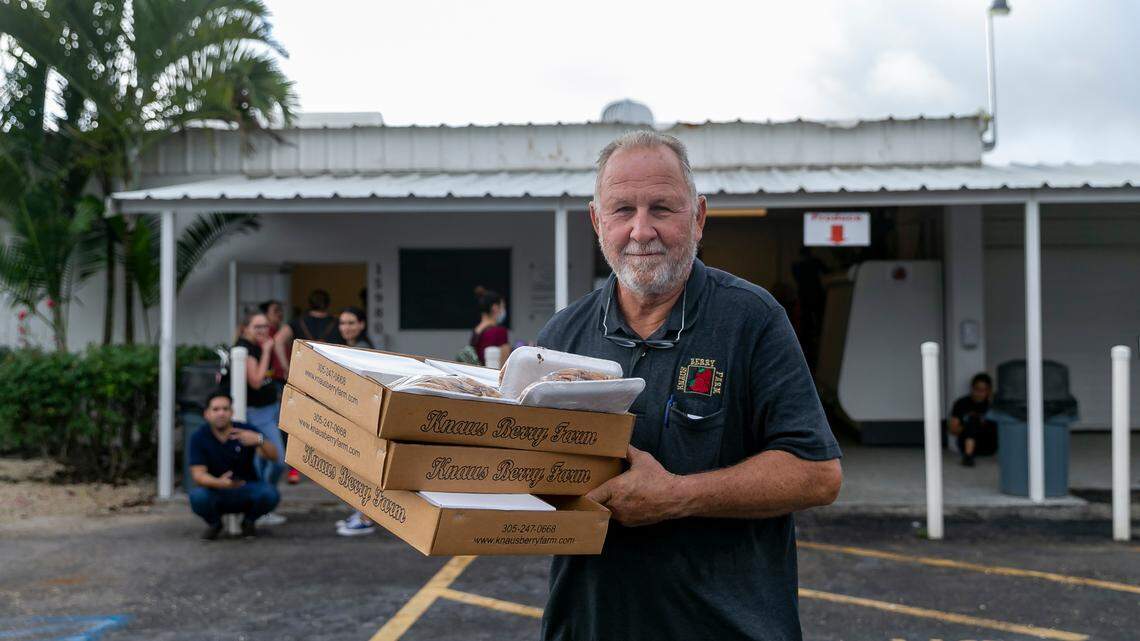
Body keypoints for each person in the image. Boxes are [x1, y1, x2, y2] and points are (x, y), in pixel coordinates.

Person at [536, 131, 843, 641]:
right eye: (621, 210)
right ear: (596, 221)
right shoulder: (560, 337)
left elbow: (817, 473)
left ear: (698, 216)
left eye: (662, 208)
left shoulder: (751, 319)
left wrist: (676, 496)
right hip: (587, 625)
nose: (641, 230)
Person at [188, 392, 280, 540]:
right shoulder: (199, 437)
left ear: (232, 412)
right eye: (216, 409)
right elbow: (198, 475)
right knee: (197, 497)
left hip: (246, 488)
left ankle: (249, 523)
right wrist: (220, 483)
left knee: (270, 493)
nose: (221, 413)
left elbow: (274, 457)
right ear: (207, 414)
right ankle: (215, 524)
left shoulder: (245, 430)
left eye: (225, 409)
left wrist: (259, 440)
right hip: (216, 491)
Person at [234, 312, 287, 525]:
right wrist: (267, 351)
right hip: (257, 413)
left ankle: (261, 509)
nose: (263, 331)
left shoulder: (255, 345)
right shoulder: (246, 349)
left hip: (269, 409)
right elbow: (256, 381)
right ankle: (262, 506)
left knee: (264, 461)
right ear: (246, 328)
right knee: (276, 461)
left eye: (265, 326)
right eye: (257, 327)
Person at [332, 306, 378, 537]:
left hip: (361, 418)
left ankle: (366, 518)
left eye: (351, 323)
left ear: (362, 324)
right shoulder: (352, 348)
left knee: (359, 470)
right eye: (342, 323)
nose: (346, 327)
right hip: (354, 416)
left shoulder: (362, 350)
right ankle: (360, 514)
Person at [273, 289, 345, 378]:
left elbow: (278, 340)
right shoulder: (339, 323)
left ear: (310, 303)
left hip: (304, 371)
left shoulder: (297, 322)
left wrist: (286, 367)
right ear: (328, 304)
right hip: (332, 373)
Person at [949, 372, 998, 467]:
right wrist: (968, 426)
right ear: (972, 388)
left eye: (983, 390)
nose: (979, 393)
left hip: (989, 444)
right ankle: (968, 456)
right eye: (977, 389)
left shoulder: (993, 405)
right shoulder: (961, 403)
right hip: (966, 443)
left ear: (988, 391)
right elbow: (952, 428)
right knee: (972, 420)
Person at [470, 287, 510, 365]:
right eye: (502, 307)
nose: (503, 311)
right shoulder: (500, 332)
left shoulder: (476, 331)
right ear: (495, 308)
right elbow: (504, 364)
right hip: (491, 376)